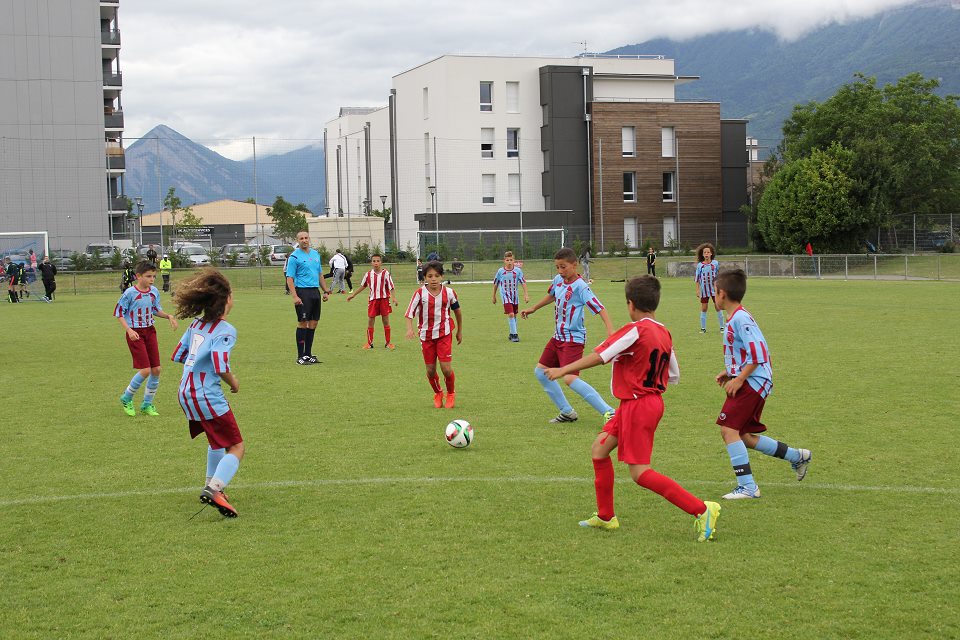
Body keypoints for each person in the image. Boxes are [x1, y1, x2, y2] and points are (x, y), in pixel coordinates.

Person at [545, 275, 721, 541]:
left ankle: (702, 509)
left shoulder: (634, 329)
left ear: (630, 304)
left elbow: (601, 355)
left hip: (639, 405)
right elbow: (673, 375)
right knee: (599, 449)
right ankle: (606, 517)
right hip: (642, 403)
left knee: (640, 473)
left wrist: (563, 369)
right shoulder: (664, 331)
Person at [712, 268, 811, 500]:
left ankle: (747, 486)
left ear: (723, 294)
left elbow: (759, 352)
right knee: (743, 435)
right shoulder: (736, 317)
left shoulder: (740, 318)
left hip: (754, 381)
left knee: (728, 430)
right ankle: (798, 456)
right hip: (753, 378)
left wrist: (739, 378)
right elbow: (748, 352)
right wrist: (730, 371)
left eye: (715, 292)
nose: (713, 296)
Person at [170, 269, 243, 518]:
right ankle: (215, 488)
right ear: (225, 300)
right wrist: (233, 382)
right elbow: (221, 365)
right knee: (236, 446)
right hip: (206, 395)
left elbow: (179, 355)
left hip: (185, 391)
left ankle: (211, 484)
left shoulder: (195, 324)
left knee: (216, 441)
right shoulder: (226, 330)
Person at [521, 247, 616, 424]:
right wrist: (533, 308)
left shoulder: (581, 287)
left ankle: (610, 412)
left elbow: (600, 308)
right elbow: (552, 295)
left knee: (570, 378)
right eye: (557, 267)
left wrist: (610, 330)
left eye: (563, 267)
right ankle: (566, 411)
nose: (560, 271)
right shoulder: (558, 280)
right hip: (558, 337)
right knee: (541, 372)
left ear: (575, 265)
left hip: (573, 339)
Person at [114, 260, 179, 417]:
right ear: (138, 276)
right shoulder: (129, 293)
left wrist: (169, 316)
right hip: (135, 333)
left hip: (150, 331)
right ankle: (127, 397)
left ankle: (147, 405)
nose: (152, 279)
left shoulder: (154, 291)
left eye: (153, 276)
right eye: (148, 276)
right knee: (145, 370)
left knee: (156, 369)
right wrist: (129, 330)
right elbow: (119, 313)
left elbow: (156, 310)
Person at [405, 261, 462, 409]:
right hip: (426, 336)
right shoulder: (419, 293)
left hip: (444, 333)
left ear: (442, 277)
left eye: (437, 275)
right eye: (430, 276)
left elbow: (457, 312)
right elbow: (409, 313)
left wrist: (459, 330)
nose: (433, 279)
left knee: (446, 368)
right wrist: (409, 329)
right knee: (430, 371)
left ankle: (450, 393)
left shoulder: (449, 292)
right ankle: (438, 393)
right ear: (424, 278)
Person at [286, 230, 331, 365]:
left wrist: (325, 290)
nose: (304, 240)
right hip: (302, 292)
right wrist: (294, 296)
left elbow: (320, 274)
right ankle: (300, 356)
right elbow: (290, 278)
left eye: (306, 238)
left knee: (313, 323)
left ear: (309, 239)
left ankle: (308, 354)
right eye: (301, 238)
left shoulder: (315, 254)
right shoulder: (294, 257)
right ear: (297, 240)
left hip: (314, 292)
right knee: (303, 323)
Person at [348, 253, 398, 349]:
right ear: (371, 263)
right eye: (374, 261)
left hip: (384, 299)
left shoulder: (386, 273)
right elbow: (363, 286)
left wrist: (394, 298)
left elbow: (391, 287)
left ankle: (388, 343)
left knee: (386, 321)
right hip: (373, 301)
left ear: (381, 262)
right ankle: (369, 343)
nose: (376, 263)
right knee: (371, 320)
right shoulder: (368, 274)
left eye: (378, 261)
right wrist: (353, 295)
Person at [492, 250, 529, 343]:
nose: (509, 262)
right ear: (504, 261)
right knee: (511, 314)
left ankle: (511, 333)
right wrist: (494, 296)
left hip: (515, 296)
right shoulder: (500, 271)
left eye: (511, 260)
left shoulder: (518, 271)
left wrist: (526, 294)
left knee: (514, 315)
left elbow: (523, 282)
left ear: (514, 260)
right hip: (505, 295)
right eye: (507, 260)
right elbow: (496, 284)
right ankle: (514, 335)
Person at [694, 242, 725, 334]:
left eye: (708, 252)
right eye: (705, 252)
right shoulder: (700, 265)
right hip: (704, 290)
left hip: (715, 289)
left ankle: (722, 327)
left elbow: (719, 276)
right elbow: (697, 279)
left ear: (711, 253)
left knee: (718, 307)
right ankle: (703, 329)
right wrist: (697, 290)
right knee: (704, 308)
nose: (706, 254)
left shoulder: (715, 263)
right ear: (702, 254)